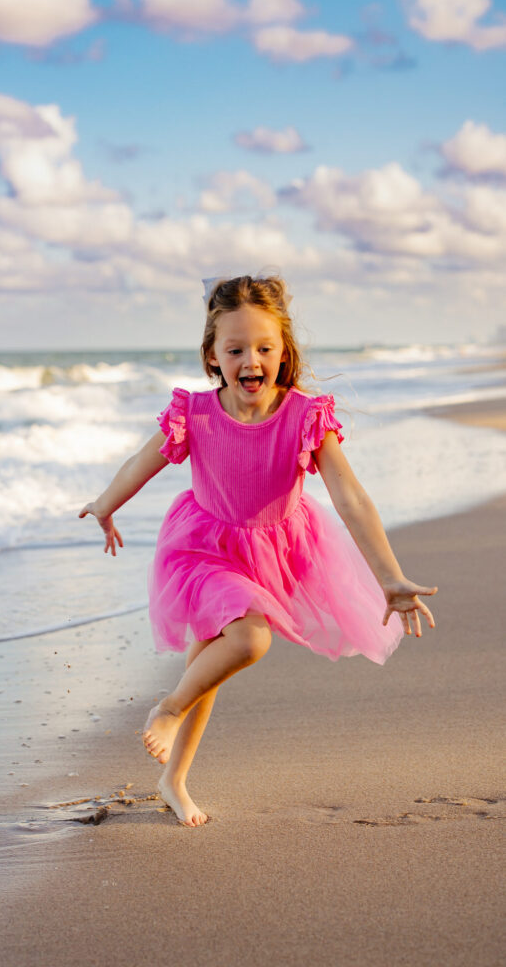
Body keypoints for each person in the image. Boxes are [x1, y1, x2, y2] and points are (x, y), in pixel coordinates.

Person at [78, 273, 437, 828]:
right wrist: (105, 505)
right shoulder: (193, 413)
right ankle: (167, 709)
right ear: (212, 355)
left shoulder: (305, 417)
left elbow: (351, 497)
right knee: (247, 640)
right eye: (236, 348)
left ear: (283, 351)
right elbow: (140, 463)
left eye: (264, 348)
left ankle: (173, 779)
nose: (252, 359)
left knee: (206, 667)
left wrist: (389, 577)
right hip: (200, 548)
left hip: (273, 554)